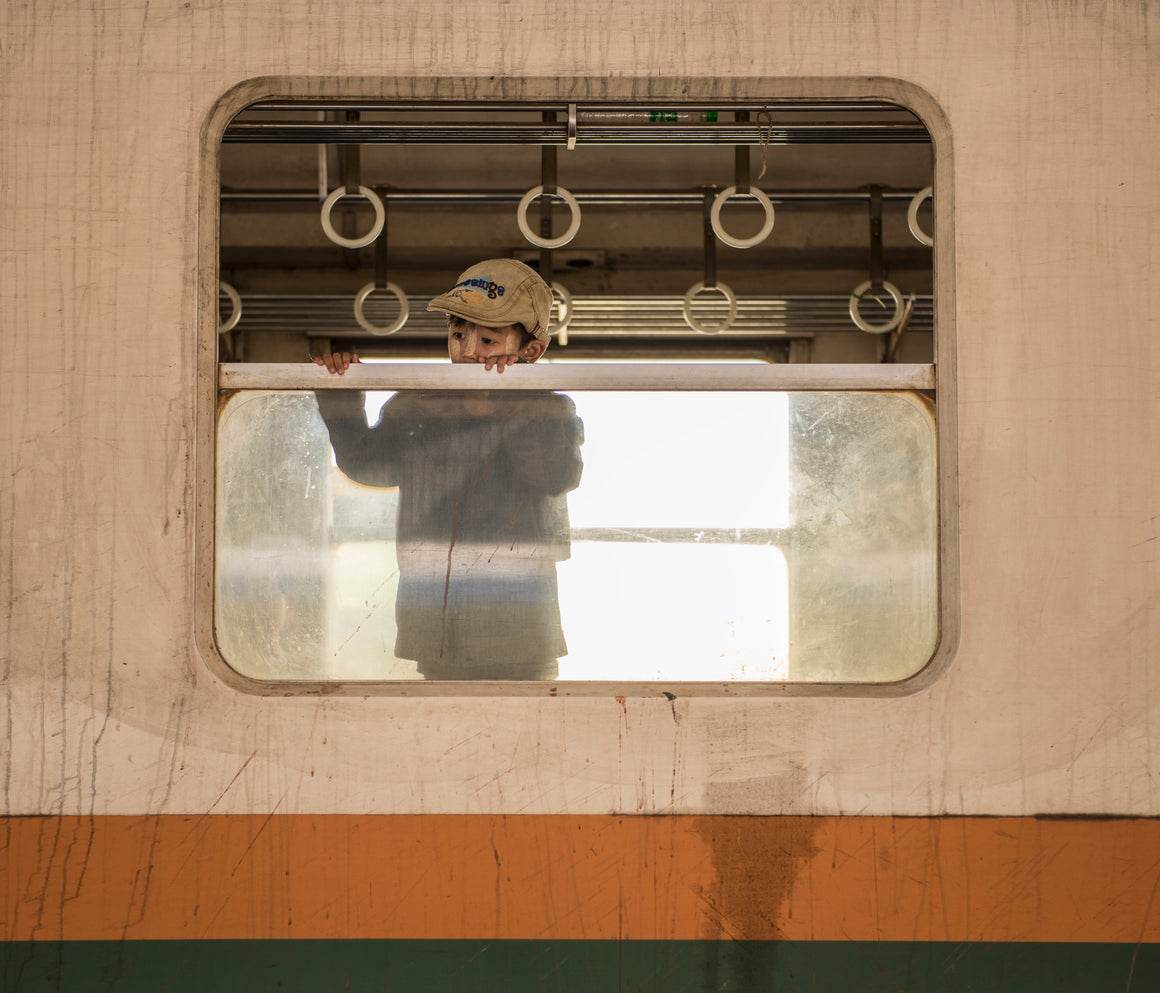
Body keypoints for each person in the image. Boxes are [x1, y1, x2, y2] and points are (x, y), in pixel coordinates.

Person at [313, 259, 583, 680]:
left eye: (489, 339)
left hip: (520, 631)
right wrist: (342, 393)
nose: (469, 350)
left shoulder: (548, 408)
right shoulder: (417, 405)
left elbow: (557, 475)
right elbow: (368, 465)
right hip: (438, 627)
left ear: (531, 350)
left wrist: (515, 405)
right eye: (458, 333)